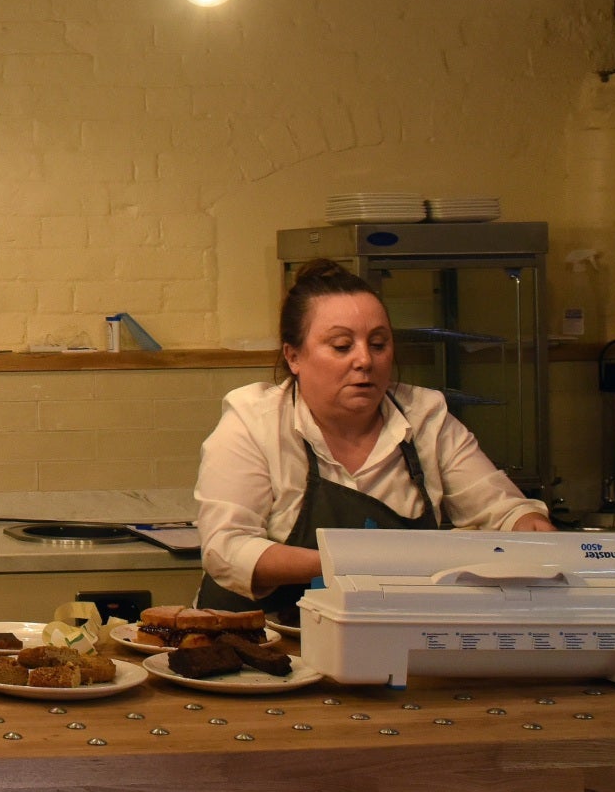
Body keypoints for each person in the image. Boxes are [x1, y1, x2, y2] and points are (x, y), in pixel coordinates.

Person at [193, 258, 555, 619]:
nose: (364, 360)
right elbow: (227, 548)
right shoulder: (254, 421)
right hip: (261, 645)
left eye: (379, 344)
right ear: (294, 356)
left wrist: (533, 531)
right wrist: (347, 562)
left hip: (389, 640)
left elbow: (504, 511)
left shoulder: (426, 417)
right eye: (341, 346)